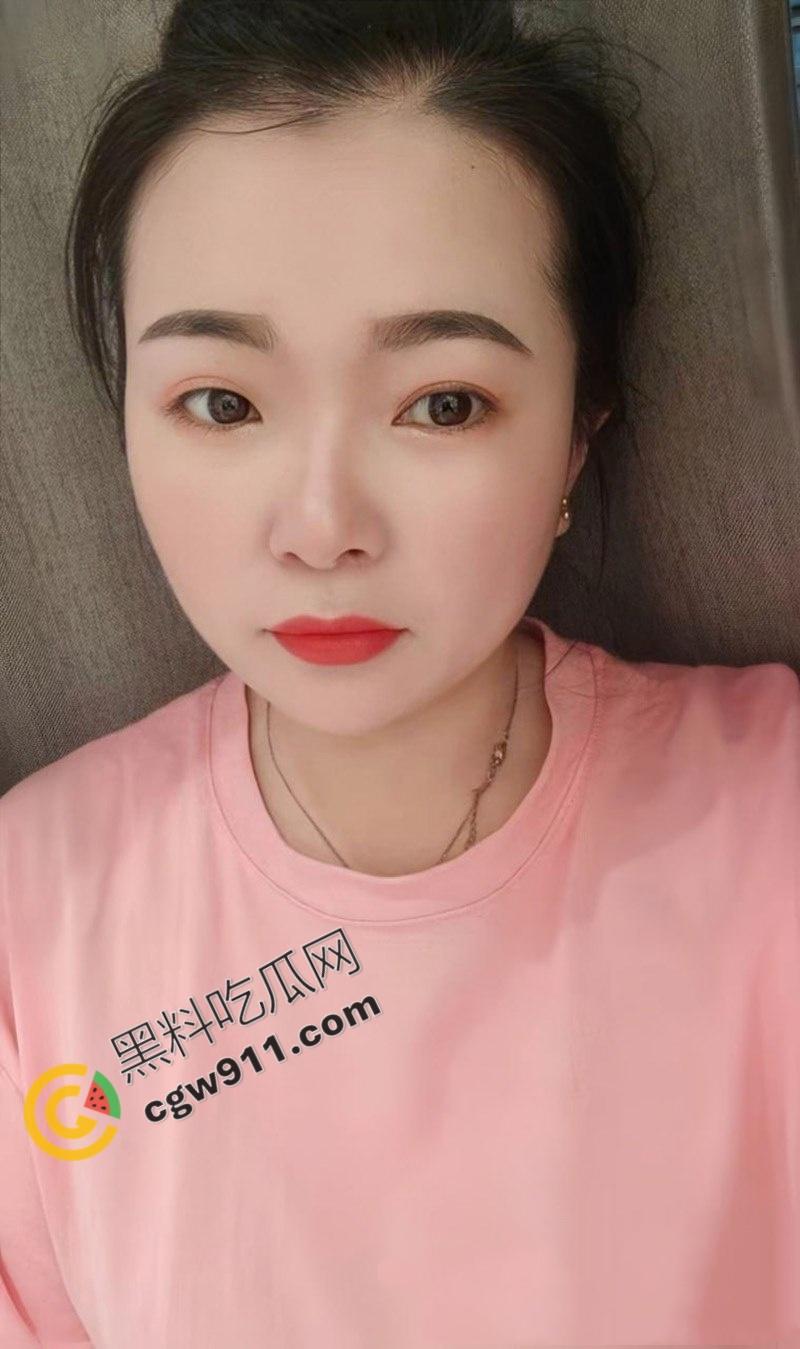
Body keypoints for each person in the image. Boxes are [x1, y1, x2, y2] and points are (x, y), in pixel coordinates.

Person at [1, 1, 798, 1345]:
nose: (322, 528)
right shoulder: (30, 922)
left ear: (578, 431)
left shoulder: (773, 826)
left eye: (443, 402)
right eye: (222, 403)